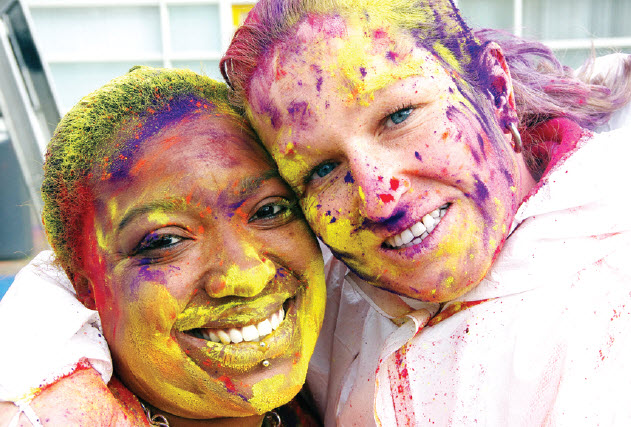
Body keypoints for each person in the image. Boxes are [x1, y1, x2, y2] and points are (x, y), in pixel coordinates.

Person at [220, 0, 631, 425]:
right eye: (322, 169)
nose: (380, 197)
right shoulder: (319, 306)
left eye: (399, 116)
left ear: (495, 88)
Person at [0, 66, 326, 426]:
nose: (246, 276)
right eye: (166, 240)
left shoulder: (356, 367)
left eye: (269, 210)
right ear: (82, 287)